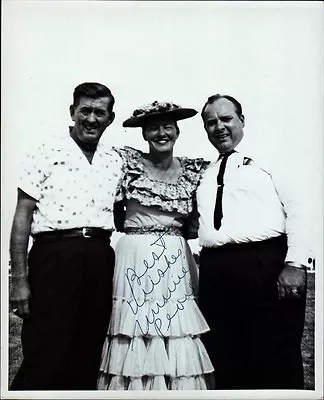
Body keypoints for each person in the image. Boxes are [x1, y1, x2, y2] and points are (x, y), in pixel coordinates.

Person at [9, 82, 123, 390]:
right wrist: (18, 279)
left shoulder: (115, 161)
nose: (91, 119)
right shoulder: (44, 152)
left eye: (100, 112)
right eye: (85, 110)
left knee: (88, 352)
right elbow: (22, 216)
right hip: (54, 256)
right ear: (72, 112)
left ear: (110, 118)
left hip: (99, 257)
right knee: (46, 353)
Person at [97, 101, 214, 390]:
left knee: (176, 328)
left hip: (175, 255)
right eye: (153, 128)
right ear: (144, 134)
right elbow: (113, 212)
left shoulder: (195, 170)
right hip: (135, 254)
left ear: (176, 131)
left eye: (167, 127)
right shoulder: (128, 164)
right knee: (135, 329)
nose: (161, 133)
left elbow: (197, 219)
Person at [196, 94, 309, 390]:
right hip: (216, 273)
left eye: (226, 119)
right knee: (225, 358)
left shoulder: (270, 160)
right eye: (211, 123)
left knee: (274, 358)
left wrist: (295, 264)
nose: (219, 127)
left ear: (242, 121)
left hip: (266, 266)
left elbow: (299, 210)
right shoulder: (205, 174)